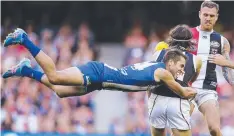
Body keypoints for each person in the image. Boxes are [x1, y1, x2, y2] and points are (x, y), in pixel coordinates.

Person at [2, 28, 196, 99]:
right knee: (55, 77)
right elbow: (184, 93)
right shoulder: (164, 73)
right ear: (170, 62)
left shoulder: (159, 66)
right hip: (99, 73)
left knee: (59, 91)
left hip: (100, 83)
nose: (181, 69)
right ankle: (24, 38)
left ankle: (26, 69)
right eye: (180, 65)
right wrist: (205, 92)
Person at [148, 25, 202, 136]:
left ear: (171, 39)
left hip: (157, 98)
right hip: (178, 102)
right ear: (189, 42)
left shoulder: (158, 53)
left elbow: (150, 77)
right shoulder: (196, 60)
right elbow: (191, 80)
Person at [189, 1, 234, 136]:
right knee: (179, 130)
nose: (208, 18)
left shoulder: (222, 41)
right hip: (186, 88)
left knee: (214, 129)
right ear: (199, 14)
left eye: (212, 16)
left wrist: (226, 62)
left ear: (217, 17)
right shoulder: (187, 35)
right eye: (205, 14)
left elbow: (228, 73)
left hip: (207, 89)